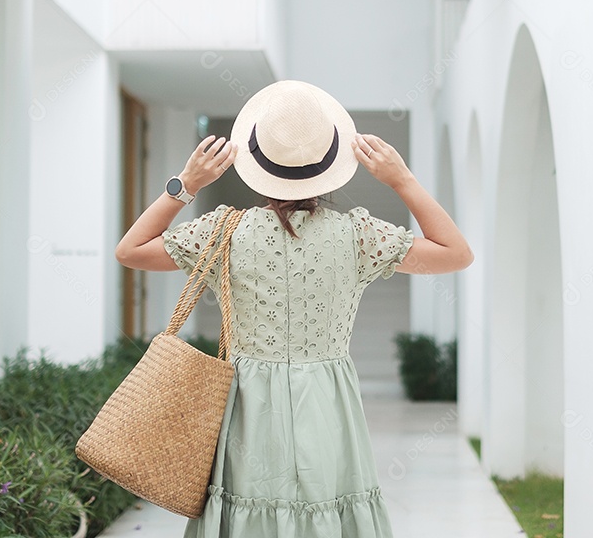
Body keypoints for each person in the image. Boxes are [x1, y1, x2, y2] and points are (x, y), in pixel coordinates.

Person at [114, 80, 473, 538]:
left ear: (257, 159)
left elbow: (131, 250)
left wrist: (184, 185)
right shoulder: (358, 236)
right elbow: (456, 254)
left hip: (247, 401)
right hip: (327, 399)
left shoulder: (222, 230)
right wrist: (402, 180)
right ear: (331, 162)